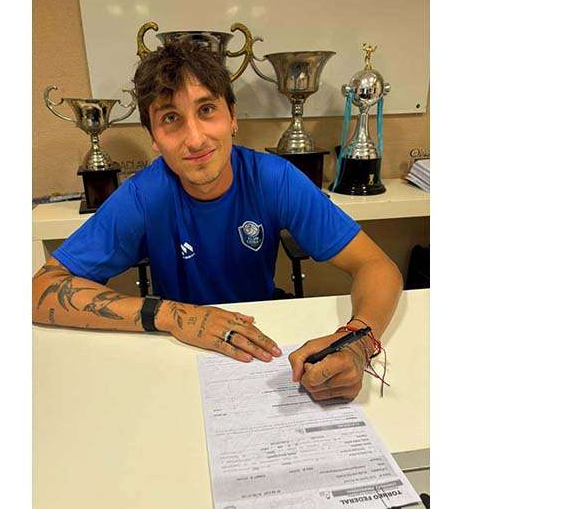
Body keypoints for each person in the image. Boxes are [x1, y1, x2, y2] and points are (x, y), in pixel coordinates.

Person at [32, 40, 403, 402]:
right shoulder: (143, 196)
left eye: (207, 109)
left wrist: (357, 342)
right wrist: (171, 314)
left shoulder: (274, 178)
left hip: (264, 348)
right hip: (177, 352)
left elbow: (376, 265)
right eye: (171, 119)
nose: (195, 139)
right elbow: (40, 289)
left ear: (233, 117)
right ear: (154, 138)